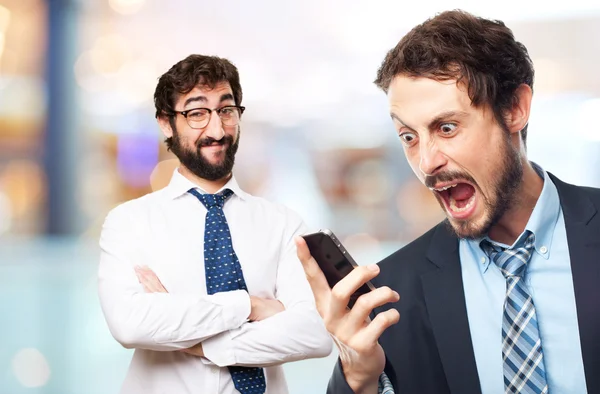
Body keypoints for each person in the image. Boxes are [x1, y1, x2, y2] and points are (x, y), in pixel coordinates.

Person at [296, 10, 600, 394]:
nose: (426, 162)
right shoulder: (388, 298)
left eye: (447, 128)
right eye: (409, 136)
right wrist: (358, 378)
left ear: (515, 109)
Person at [98, 54, 332, 394]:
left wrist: (193, 339)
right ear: (166, 123)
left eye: (226, 110)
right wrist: (249, 306)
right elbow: (130, 325)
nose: (217, 129)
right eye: (196, 114)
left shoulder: (282, 223)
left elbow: (314, 335)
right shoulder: (129, 222)